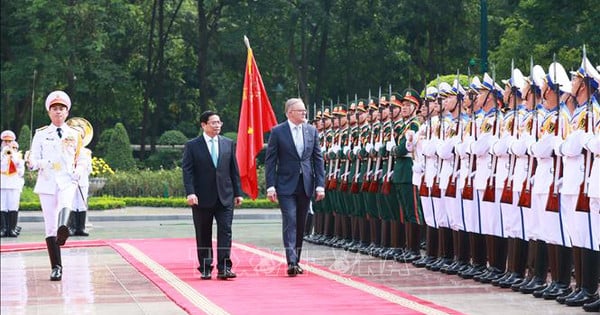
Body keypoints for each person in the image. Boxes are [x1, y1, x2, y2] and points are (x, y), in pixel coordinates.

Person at [26, 90, 84, 281]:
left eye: (61, 109)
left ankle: (64, 229)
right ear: (49, 112)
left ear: (67, 112)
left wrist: (79, 170)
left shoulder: (75, 134)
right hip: (48, 181)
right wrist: (32, 162)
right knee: (49, 225)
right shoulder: (41, 134)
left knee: (66, 204)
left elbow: (81, 158)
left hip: (67, 180)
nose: (58, 112)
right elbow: (34, 158)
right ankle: (56, 267)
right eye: (54, 109)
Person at [265, 97, 325, 277]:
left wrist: (320, 185)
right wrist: (270, 186)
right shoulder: (278, 132)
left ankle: (296, 259)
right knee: (290, 220)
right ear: (290, 113)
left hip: (305, 183)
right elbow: (271, 161)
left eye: (305, 111)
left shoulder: (311, 131)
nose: (304, 114)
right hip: (285, 184)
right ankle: (291, 261)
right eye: (301, 111)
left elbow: (317, 159)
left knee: (301, 223)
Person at [182, 110, 243, 280]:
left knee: (226, 231)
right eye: (213, 123)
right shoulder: (192, 145)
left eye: (219, 122)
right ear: (203, 125)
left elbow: (233, 170)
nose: (217, 125)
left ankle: (224, 267)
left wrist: (238, 192)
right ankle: (205, 267)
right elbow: (188, 171)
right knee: (203, 232)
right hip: (201, 197)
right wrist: (190, 192)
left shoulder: (228, 143)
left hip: (225, 196)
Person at [69, 124, 93, 236]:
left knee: (82, 204)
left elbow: (89, 168)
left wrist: (80, 173)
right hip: (70, 181)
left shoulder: (86, 152)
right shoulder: (68, 150)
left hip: (82, 180)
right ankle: (72, 227)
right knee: (72, 203)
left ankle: (81, 228)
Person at [1, 130, 25, 237]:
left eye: (9, 141)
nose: (7, 143)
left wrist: (12, 155)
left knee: (13, 206)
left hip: (14, 184)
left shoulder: (17, 156)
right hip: (2, 183)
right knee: (2, 206)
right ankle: (3, 228)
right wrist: (4, 155)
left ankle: (12, 229)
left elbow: (21, 170)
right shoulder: (1, 155)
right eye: (5, 141)